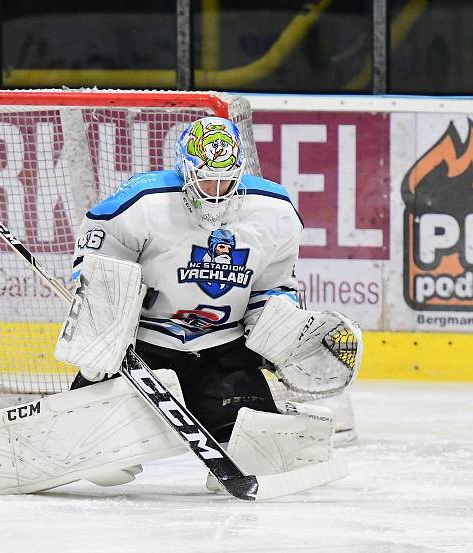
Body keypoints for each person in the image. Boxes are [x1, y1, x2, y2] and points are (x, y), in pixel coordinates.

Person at [66, 116, 305, 444]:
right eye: (206, 180)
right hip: (144, 347)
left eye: (226, 181)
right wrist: (99, 338)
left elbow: (272, 288)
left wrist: (279, 334)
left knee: (258, 448)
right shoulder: (143, 203)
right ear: (185, 170)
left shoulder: (275, 212)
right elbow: (97, 267)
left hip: (221, 348)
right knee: (102, 459)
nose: (216, 192)